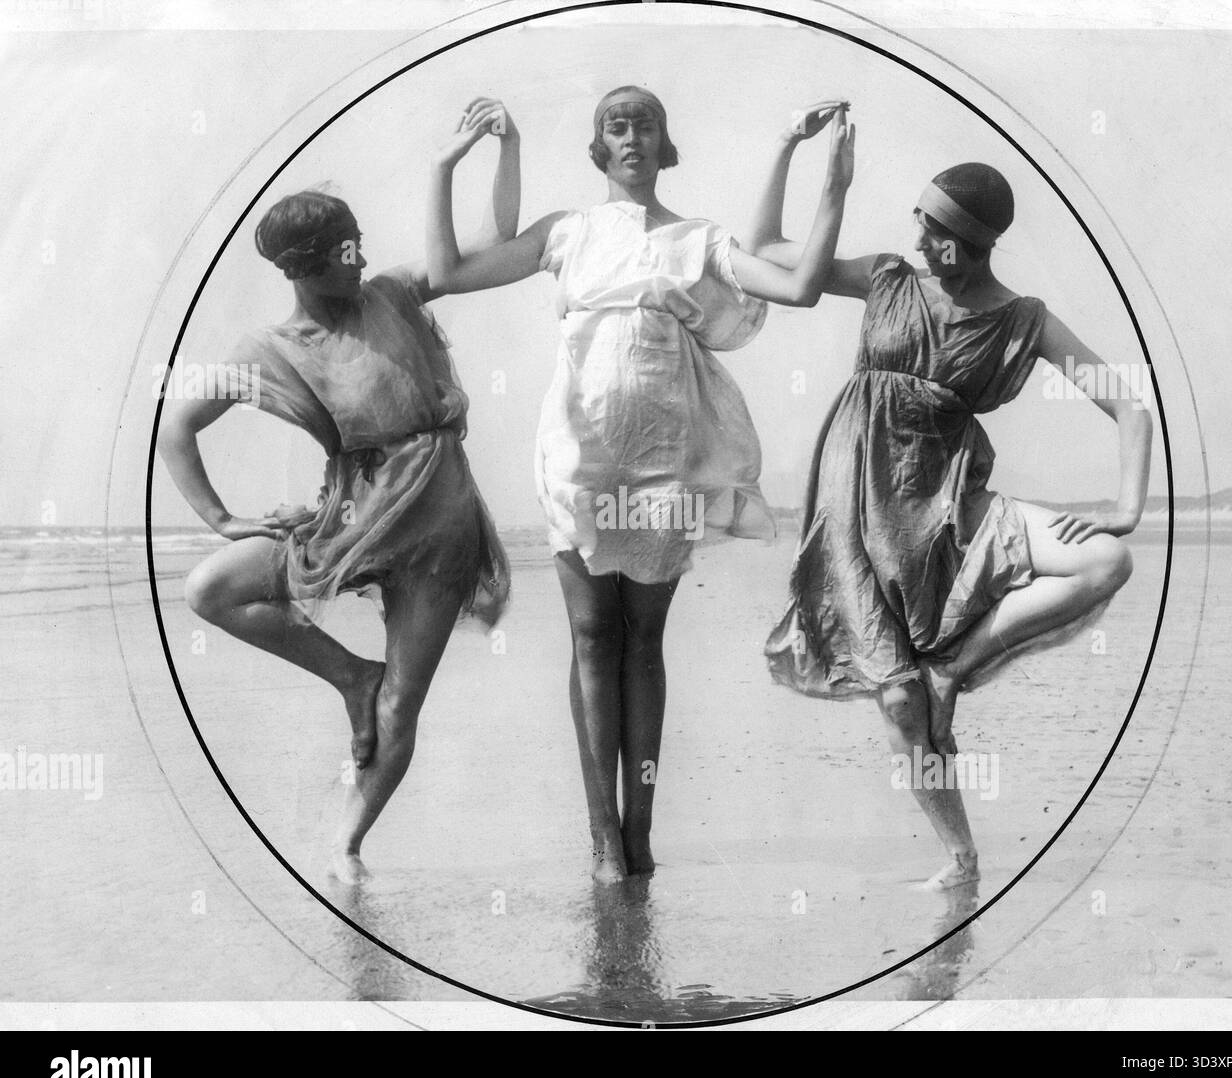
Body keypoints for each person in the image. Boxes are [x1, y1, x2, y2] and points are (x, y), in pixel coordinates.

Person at [426, 88, 855, 882]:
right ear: (599, 146)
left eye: (645, 125)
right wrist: (467, 158)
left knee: (644, 643)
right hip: (579, 453)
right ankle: (600, 838)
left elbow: (796, 287)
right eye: (615, 126)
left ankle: (641, 834)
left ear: (665, 143)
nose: (631, 137)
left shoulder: (701, 239)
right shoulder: (569, 230)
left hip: (666, 460)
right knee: (593, 637)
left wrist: (826, 178)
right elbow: (451, 272)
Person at [749, 102, 1152, 890]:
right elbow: (766, 249)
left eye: (940, 234)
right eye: (920, 224)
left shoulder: (1021, 320)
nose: (923, 243)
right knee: (897, 702)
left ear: (977, 245)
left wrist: (1127, 506)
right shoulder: (888, 279)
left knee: (1106, 561)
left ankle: (957, 666)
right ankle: (960, 859)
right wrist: (791, 148)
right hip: (856, 512)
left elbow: (1129, 403)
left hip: (948, 507)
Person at [158, 100, 520, 884]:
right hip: (352, 513)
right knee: (209, 589)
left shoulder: (394, 293)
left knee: (403, 704)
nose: (359, 260)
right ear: (300, 266)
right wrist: (221, 519)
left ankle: (346, 845)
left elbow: (491, 245)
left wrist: (479, 155)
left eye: (358, 243)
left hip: (441, 519)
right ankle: (348, 674)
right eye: (340, 253)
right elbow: (177, 427)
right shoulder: (270, 348)